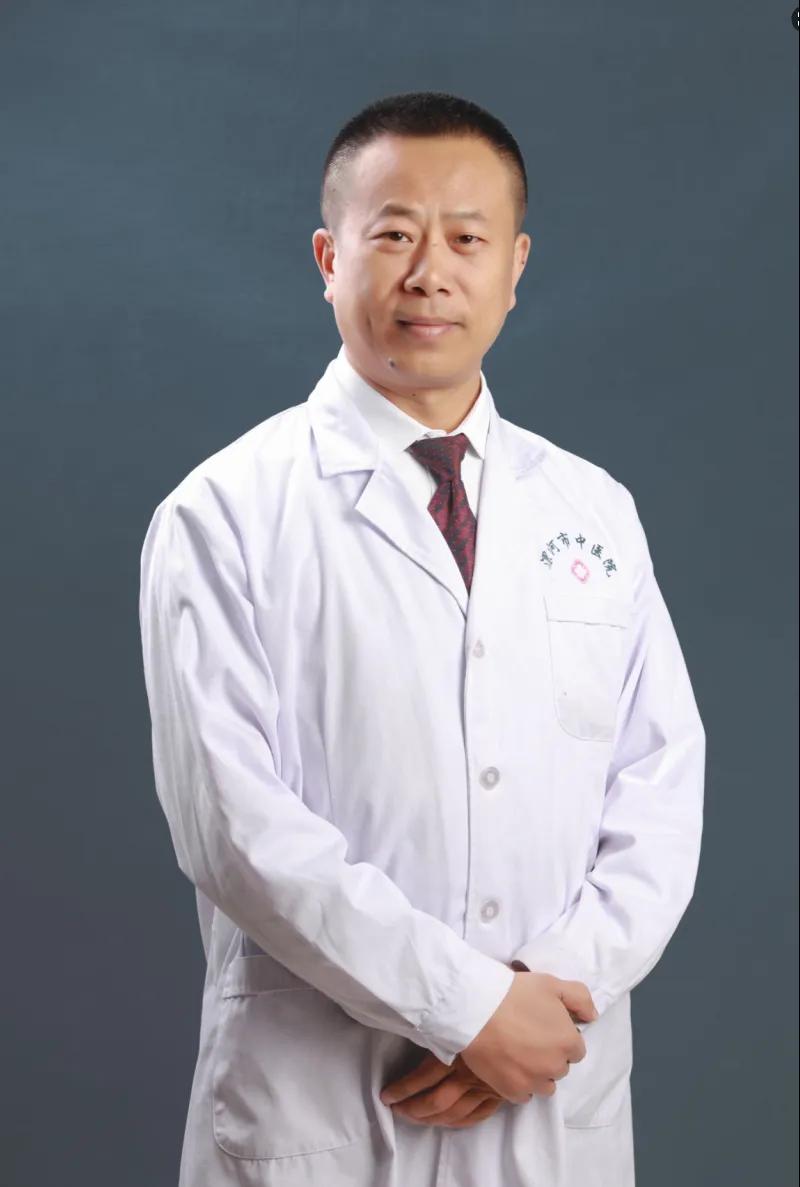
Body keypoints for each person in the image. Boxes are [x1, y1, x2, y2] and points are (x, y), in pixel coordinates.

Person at [138, 90, 705, 1187]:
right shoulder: (224, 513)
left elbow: (659, 786)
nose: (429, 272)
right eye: (393, 234)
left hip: (548, 1085)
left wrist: (547, 994)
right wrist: (465, 1005)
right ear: (329, 257)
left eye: (466, 239)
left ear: (515, 265)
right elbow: (233, 824)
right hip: (320, 1102)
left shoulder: (593, 509)